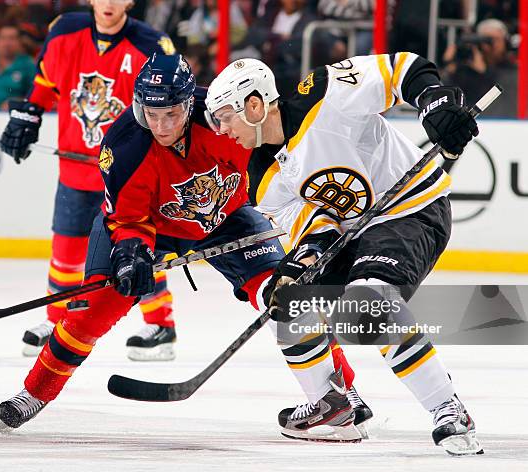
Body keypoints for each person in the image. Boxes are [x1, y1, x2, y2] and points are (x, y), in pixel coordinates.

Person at [0, 53, 372, 442]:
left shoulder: (226, 117)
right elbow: (128, 218)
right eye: (152, 114)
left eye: (172, 114)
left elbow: (281, 161)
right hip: (148, 225)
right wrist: (131, 255)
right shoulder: (124, 146)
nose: (160, 125)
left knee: (288, 297)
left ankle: (341, 395)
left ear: (191, 104)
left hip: (226, 218)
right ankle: (33, 393)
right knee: (92, 310)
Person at [205, 55, 482, 455]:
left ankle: (448, 409)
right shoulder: (261, 177)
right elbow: (311, 226)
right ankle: (333, 406)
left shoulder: (325, 93)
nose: (222, 130)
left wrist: (434, 102)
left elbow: (401, 69)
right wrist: (296, 266)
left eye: (225, 117)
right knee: (280, 300)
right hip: (354, 233)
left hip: (411, 209)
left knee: (369, 300)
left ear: (254, 105)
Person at [0, 0, 181, 360]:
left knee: (136, 250)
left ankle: (161, 324)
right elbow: (46, 84)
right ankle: (58, 320)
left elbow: (169, 106)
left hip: (127, 173)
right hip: (76, 168)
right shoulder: (65, 32)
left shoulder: (152, 46)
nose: (109, 3)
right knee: (66, 250)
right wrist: (28, 116)